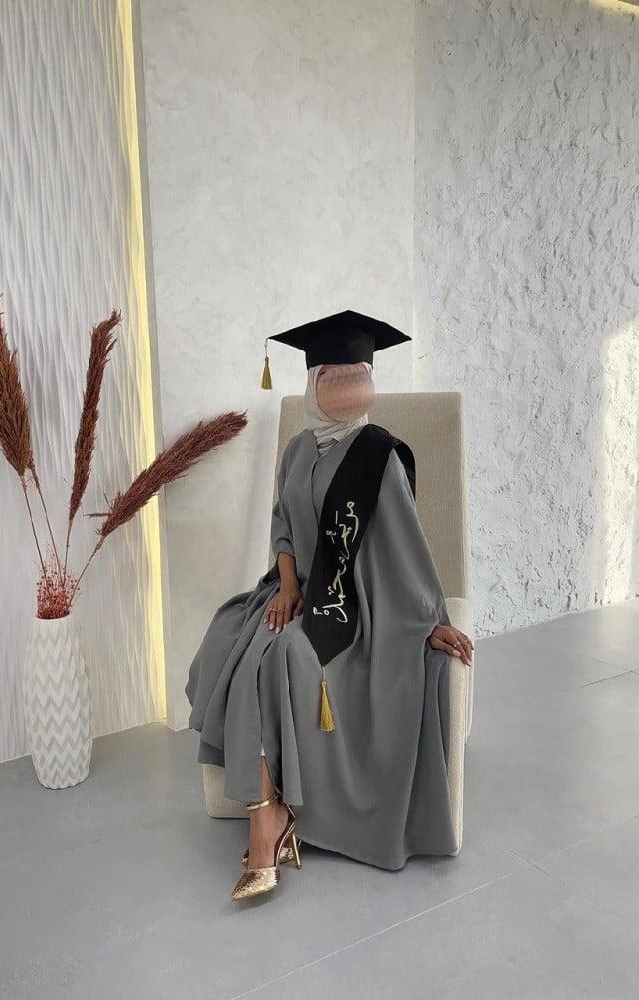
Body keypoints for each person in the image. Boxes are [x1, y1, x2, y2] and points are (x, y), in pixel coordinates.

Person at [185, 310, 473, 903]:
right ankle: (269, 813)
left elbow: (406, 547)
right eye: (334, 377)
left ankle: (267, 826)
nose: (347, 387)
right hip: (298, 589)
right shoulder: (296, 450)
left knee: (282, 654)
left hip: (355, 603)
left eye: (357, 375)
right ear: (314, 383)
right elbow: (283, 525)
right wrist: (289, 586)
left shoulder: (379, 457)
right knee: (236, 637)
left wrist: (429, 620)